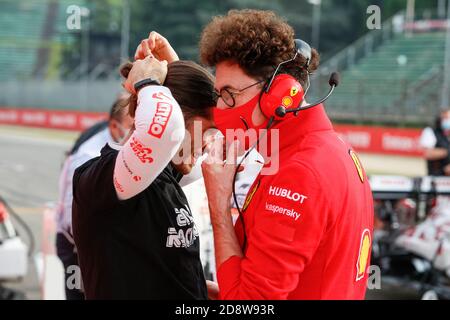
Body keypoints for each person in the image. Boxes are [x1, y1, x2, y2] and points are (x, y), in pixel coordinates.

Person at [136, 10, 374, 300]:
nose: (221, 109)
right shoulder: (332, 149)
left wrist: (219, 206)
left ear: (280, 95)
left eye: (229, 94)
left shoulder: (298, 174)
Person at [72, 54, 218, 299]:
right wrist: (147, 82)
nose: (208, 143)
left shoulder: (167, 173)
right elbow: (164, 133)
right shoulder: (103, 180)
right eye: (206, 130)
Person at [55, 94, 133, 300]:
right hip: (77, 246)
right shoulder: (89, 155)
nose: (136, 133)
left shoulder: (120, 147)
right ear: (115, 127)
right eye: (132, 127)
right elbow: (73, 216)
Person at [419, 110, 450, 176]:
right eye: (446, 118)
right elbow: (427, 153)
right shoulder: (431, 132)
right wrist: (447, 152)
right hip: (437, 177)